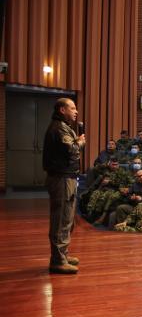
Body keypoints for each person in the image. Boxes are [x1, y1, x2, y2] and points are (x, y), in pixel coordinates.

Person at [43, 99, 85, 274]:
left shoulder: (63, 126)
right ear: (62, 109)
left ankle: (63, 255)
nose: (76, 111)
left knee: (67, 219)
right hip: (61, 179)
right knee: (61, 220)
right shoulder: (59, 127)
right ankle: (58, 260)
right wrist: (80, 142)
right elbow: (72, 150)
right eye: (72, 108)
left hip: (66, 178)